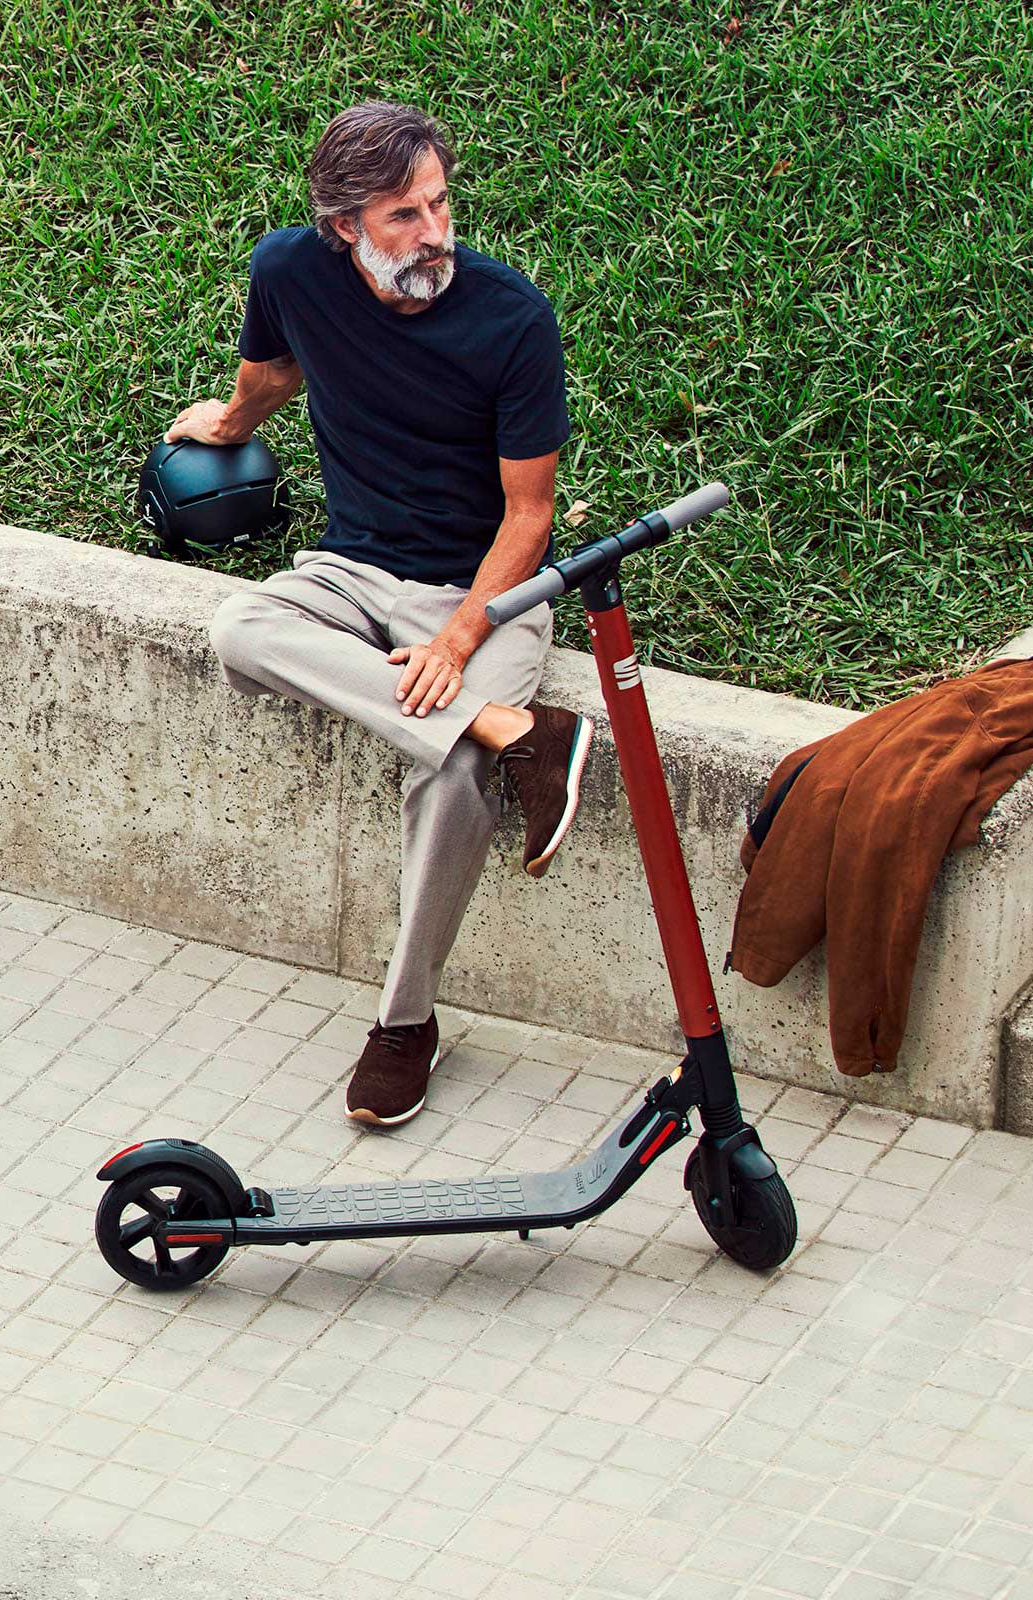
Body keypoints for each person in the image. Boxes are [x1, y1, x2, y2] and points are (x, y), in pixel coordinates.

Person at [167, 101, 591, 1128]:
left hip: (486, 592)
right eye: (405, 215)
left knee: (447, 771)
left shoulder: (511, 319)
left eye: (441, 204)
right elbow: (273, 370)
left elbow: (531, 518)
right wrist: (227, 422)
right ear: (343, 224)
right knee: (242, 631)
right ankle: (517, 732)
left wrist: (457, 643)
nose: (435, 233)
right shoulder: (290, 270)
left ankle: (405, 1024)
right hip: (351, 569)